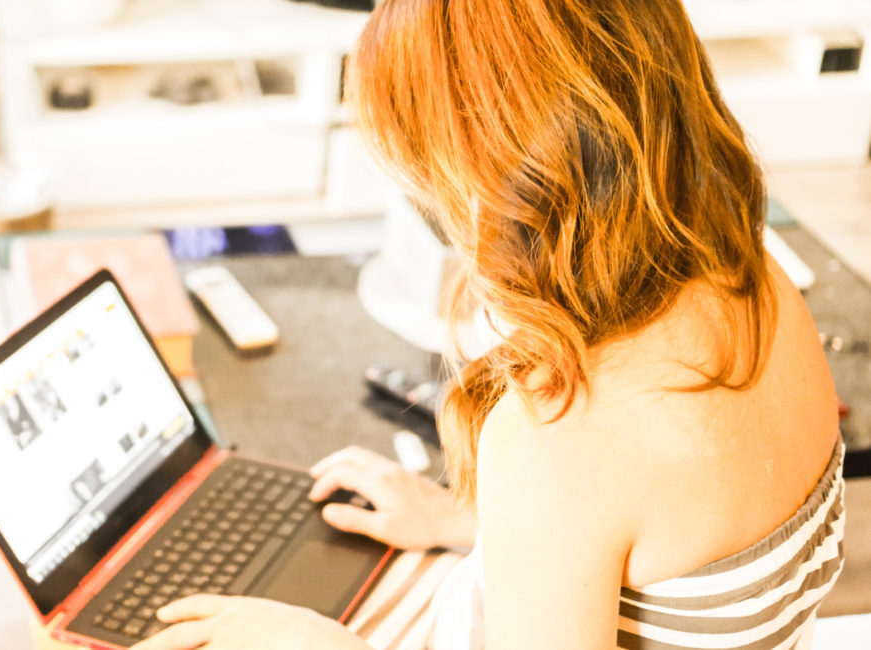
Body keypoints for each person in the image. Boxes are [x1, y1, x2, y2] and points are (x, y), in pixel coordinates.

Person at [133, 1, 845, 649]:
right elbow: (656, 543)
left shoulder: (560, 438)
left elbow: (597, 481)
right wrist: (466, 524)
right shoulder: (752, 278)